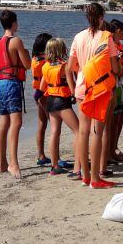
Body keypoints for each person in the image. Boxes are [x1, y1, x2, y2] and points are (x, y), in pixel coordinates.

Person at [68, 2, 119, 189]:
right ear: (101, 18)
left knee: (83, 131)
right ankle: (96, 178)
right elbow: (115, 67)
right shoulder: (106, 37)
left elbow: (71, 66)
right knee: (97, 132)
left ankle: (85, 175)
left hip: (82, 85)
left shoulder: (78, 37)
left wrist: (83, 70)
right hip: (99, 89)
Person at [0, 9, 29, 178]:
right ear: (14, 23)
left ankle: (2, 163)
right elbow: (27, 65)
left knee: (4, 123)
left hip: (1, 83)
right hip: (12, 83)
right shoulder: (16, 41)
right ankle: (13, 163)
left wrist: (3, 68)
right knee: (16, 123)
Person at [40, 38, 79, 176]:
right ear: (61, 50)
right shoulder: (65, 66)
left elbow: (41, 87)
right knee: (78, 131)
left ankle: (54, 166)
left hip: (50, 101)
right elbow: (72, 89)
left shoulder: (45, 66)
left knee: (54, 132)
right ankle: (78, 165)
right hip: (62, 102)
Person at [101, 19, 123, 175]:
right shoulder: (111, 46)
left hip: (118, 84)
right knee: (111, 121)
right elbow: (116, 69)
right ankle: (109, 152)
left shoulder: (120, 46)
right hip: (112, 84)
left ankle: (113, 148)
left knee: (119, 117)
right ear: (116, 31)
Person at [30, 32, 54, 167]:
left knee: (42, 124)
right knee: (54, 125)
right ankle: (55, 158)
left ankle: (41, 155)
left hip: (38, 94)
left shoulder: (34, 59)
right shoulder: (43, 62)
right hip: (44, 94)